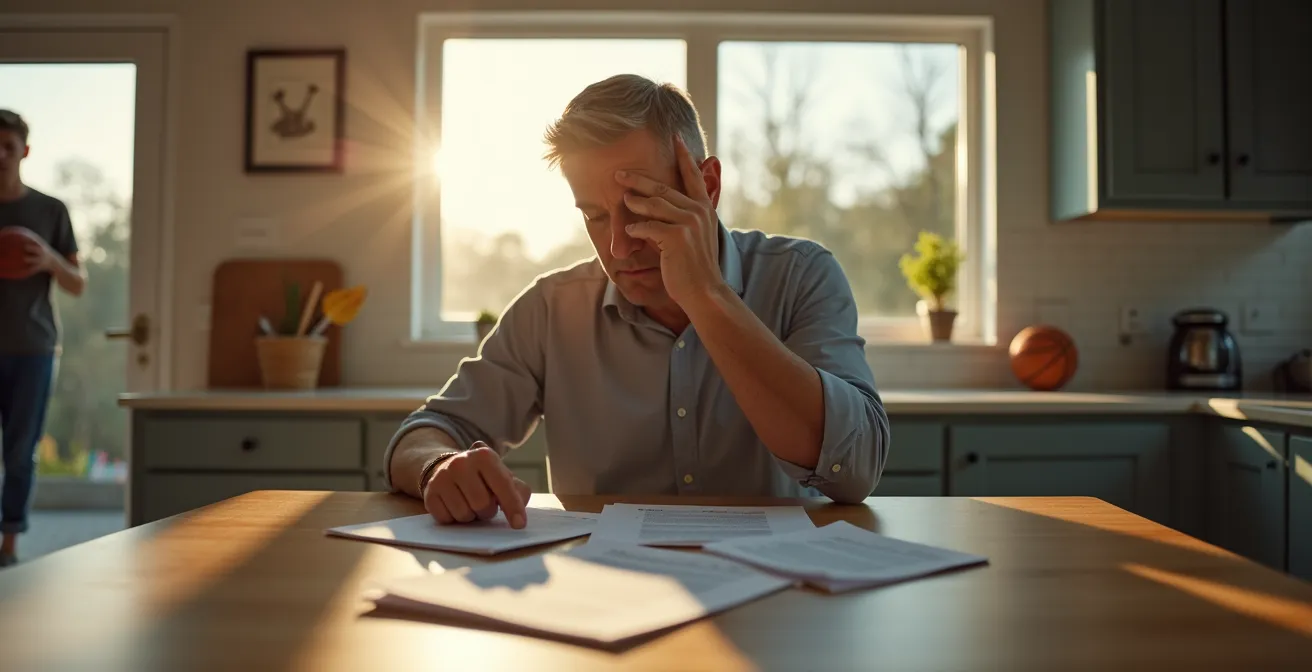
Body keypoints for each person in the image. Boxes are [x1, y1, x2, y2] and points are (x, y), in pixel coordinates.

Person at [385, 75, 890, 528]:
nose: (619, 248)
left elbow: (855, 469)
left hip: (778, 588)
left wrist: (706, 295)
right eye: (595, 216)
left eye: (641, 206)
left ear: (707, 186)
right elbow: (425, 433)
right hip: (610, 592)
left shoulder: (801, 276)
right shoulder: (551, 307)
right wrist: (439, 467)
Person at [0, 110, 86, 567]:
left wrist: (50, 259)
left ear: (25, 151)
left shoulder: (51, 210)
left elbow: (78, 283)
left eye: (8, 147)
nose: (0, 155)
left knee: (20, 451)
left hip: (33, 348)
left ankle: (8, 546)